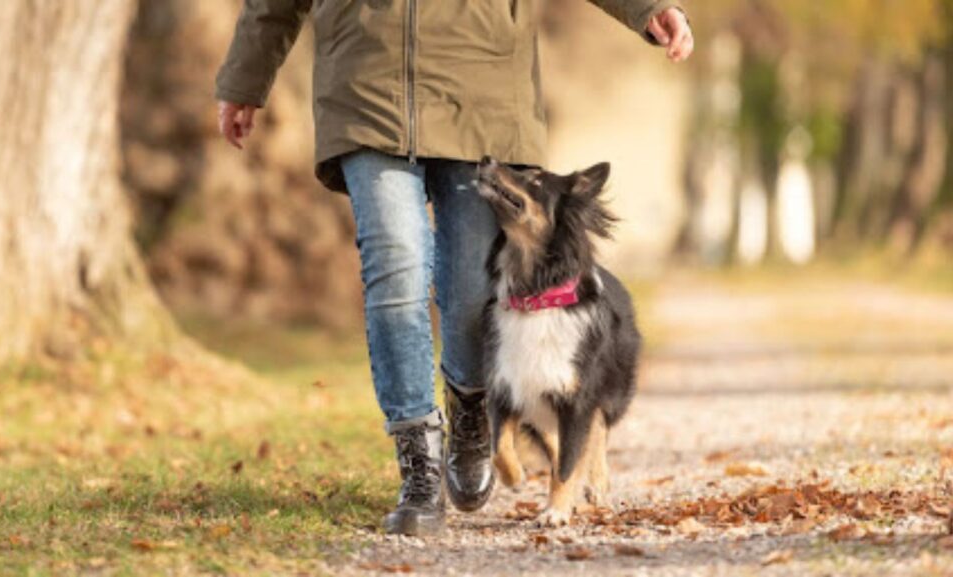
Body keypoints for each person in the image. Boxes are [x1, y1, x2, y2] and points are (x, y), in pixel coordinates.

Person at [215, 0, 693, 537]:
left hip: (483, 87)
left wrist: (647, 8)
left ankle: (470, 412)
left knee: (471, 289)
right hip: (367, 82)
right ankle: (418, 463)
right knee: (394, 266)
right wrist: (245, 77)